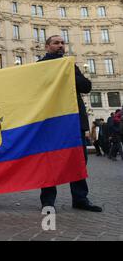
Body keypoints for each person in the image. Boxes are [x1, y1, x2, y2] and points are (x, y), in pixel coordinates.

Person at [38, 35, 102, 212]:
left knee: (79, 160)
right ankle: (48, 201)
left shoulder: (69, 65)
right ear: (47, 47)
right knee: (49, 161)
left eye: (62, 43)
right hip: (51, 122)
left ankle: (80, 198)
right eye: (56, 43)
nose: (60, 46)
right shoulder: (40, 66)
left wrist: (67, 74)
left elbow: (86, 87)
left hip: (74, 121)